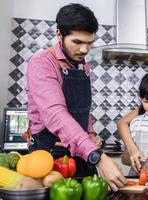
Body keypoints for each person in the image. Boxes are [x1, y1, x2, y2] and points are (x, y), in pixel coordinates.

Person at [25, 3, 127, 191]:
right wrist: (98, 156)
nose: (84, 50)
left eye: (89, 43)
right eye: (77, 42)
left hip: (79, 152)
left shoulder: (82, 65)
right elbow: (56, 114)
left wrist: (90, 134)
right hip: (49, 155)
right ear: (59, 35)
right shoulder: (41, 63)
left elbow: (81, 109)